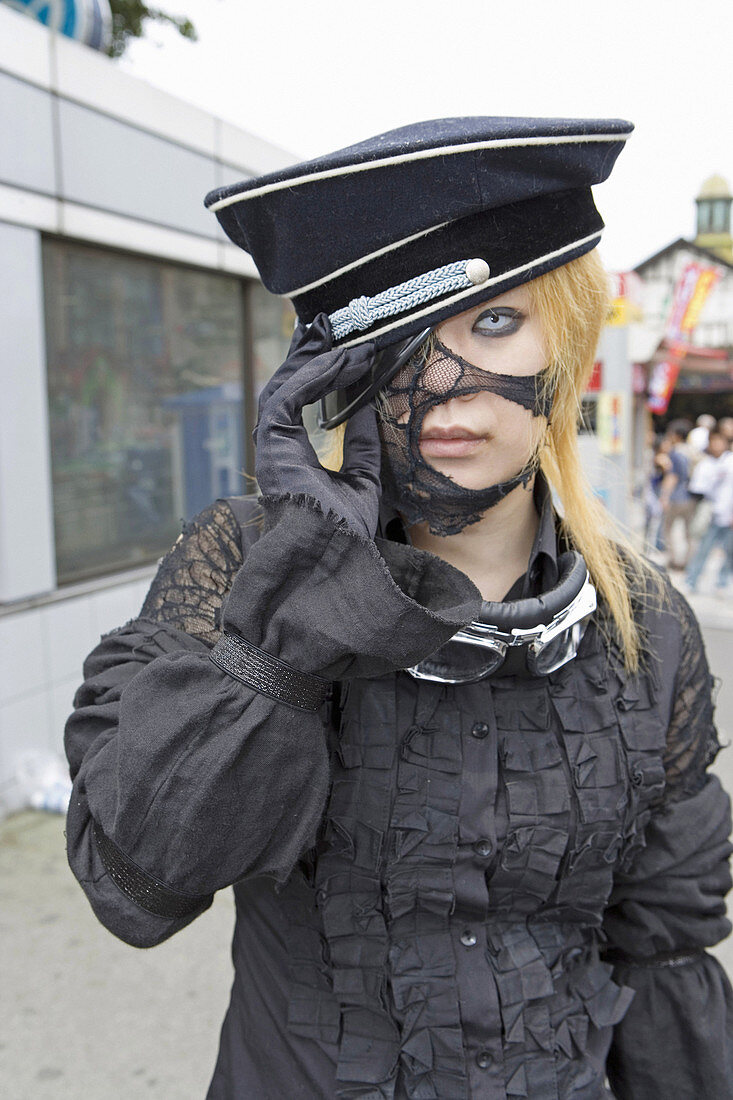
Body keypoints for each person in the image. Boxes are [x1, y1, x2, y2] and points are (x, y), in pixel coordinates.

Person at [64, 118, 733, 1099]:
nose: (442, 385)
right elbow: (138, 885)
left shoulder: (646, 622)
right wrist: (289, 624)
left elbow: (662, 953)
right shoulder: (242, 562)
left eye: (493, 321)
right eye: (398, 338)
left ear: (570, 335)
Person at [685, 427, 733, 592]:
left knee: (729, 551)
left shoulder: (730, 462)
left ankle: (722, 582)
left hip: (729, 515)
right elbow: (696, 489)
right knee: (703, 549)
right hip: (710, 514)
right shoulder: (705, 464)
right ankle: (692, 580)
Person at [659, 419, 696, 569]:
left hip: (676, 496)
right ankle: (688, 561)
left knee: (668, 530)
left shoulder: (675, 453)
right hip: (691, 497)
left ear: (677, 435)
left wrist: (664, 496)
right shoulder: (692, 451)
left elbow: (673, 477)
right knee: (689, 532)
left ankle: (674, 560)